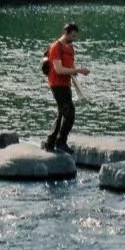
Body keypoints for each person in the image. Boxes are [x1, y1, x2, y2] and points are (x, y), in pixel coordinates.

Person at [41, 21, 91, 154]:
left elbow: (70, 67)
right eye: (72, 36)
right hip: (56, 84)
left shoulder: (70, 48)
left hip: (66, 84)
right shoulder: (56, 47)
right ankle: (61, 142)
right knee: (70, 113)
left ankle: (50, 143)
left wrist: (76, 71)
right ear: (65, 33)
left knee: (61, 114)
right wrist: (79, 70)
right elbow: (58, 69)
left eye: (75, 36)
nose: (74, 39)